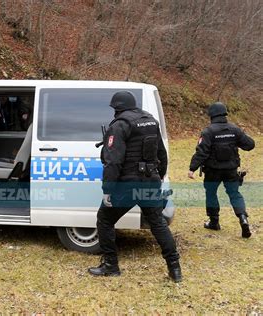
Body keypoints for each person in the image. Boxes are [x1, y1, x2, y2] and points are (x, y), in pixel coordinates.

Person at [88, 91, 182, 283]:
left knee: (105, 220)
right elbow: (161, 154)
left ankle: (111, 266)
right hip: (150, 181)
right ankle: (175, 269)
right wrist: (160, 176)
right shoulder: (150, 121)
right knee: (158, 224)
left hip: (127, 185)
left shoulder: (120, 124)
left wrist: (108, 190)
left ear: (117, 107)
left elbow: (113, 161)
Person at [188, 102, 255, 238]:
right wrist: (238, 136)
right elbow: (250, 145)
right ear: (225, 113)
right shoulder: (234, 129)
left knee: (211, 194)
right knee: (234, 194)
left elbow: (202, 152)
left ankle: (214, 222)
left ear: (211, 115)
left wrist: (192, 168)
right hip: (231, 170)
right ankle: (243, 218)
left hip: (213, 171)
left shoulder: (208, 132)